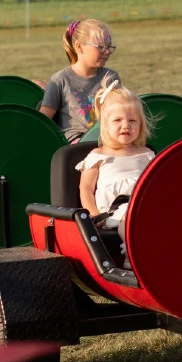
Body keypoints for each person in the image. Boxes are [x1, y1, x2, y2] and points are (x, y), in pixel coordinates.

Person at [76, 79, 155, 268]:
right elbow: (86, 188)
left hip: (144, 204)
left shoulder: (146, 154)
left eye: (132, 120)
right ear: (105, 124)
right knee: (129, 215)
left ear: (141, 125)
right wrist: (94, 215)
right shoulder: (98, 156)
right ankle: (132, 256)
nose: (126, 125)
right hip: (111, 210)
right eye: (118, 120)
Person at [39, 19, 120, 141]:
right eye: (101, 47)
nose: (107, 52)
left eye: (109, 47)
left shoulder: (110, 77)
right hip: (75, 143)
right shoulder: (60, 80)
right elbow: (44, 120)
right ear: (79, 47)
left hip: (106, 139)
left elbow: (120, 112)